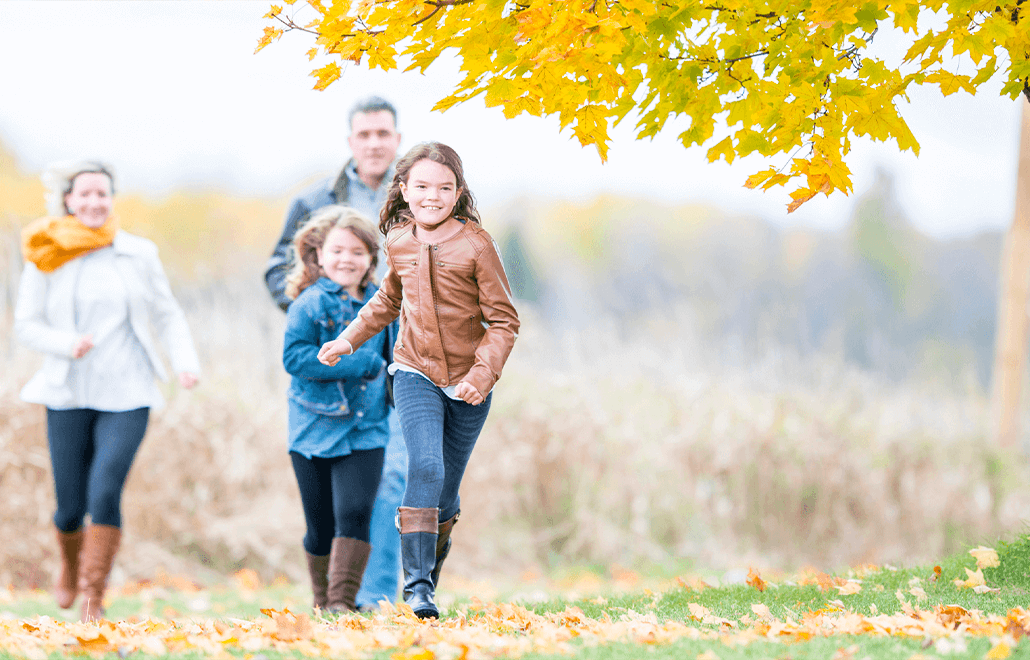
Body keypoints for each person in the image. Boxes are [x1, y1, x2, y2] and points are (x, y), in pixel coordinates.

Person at [317, 142, 520, 619]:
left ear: (458, 192)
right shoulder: (399, 241)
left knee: (445, 493)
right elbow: (387, 302)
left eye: (444, 187)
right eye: (423, 186)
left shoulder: (476, 244)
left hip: (469, 384)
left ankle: (429, 571)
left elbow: (505, 321)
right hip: (413, 372)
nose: (433, 196)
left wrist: (482, 375)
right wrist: (348, 340)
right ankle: (418, 589)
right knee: (424, 469)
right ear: (404, 189)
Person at [14, 160, 201, 622]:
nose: (95, 202)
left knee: (104, 493)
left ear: (111, 200)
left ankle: (93, 597)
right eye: (86, 194)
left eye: (103, 194)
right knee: (68, 508)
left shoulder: (138, 253)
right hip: (68, 390)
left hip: (129, 390)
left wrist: (185, 363)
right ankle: (70, 562)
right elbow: (26, 324)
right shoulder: (47, 252)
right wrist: (65, 344)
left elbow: (166, 314)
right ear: (68, 200)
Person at [265, 95, 408, 611]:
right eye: (364, 134)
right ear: (351, 141)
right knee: (325, 510)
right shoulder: (313, 201)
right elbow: (275, 268)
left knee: (392, 479)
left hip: (402, 358)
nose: (374, 143)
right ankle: (341, 601)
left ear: (396, 138)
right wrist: (318, 315)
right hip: (327, 380)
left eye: (383, 134)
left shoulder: (422, 195)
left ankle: (371, 598)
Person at [282, 205, 396, 613]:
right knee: (320, 526)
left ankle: (340, 605)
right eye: (337, 251)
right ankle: (321, 599)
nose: (347, 259)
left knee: (355, 512)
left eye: (358, 252)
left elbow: (398, 354)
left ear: (371, 259)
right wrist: (359, 362)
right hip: (313, 428)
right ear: (319, 256)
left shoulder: (384, 305)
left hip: (367, 427)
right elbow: (294, 359)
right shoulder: (308, 305)